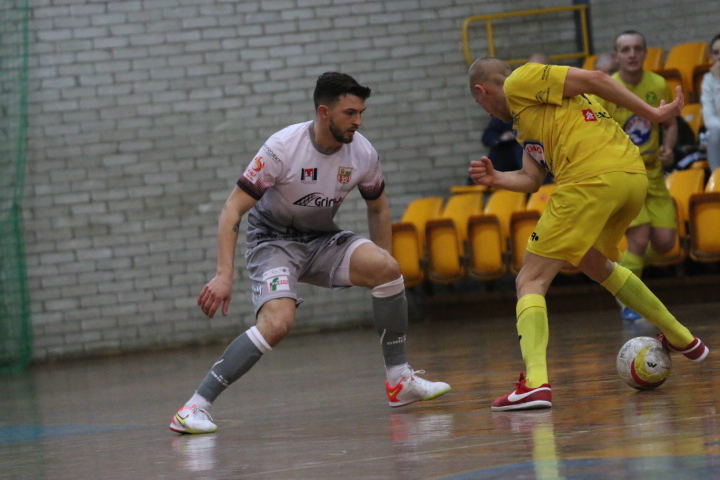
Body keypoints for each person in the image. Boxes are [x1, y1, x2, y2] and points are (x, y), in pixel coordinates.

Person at [170, 72, 450, 434]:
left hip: (321, 240)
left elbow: (378, 208)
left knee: (387, 268)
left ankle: (399, 380)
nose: (358, 121)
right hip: (273, 241)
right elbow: (232, 209)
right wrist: (224, 275)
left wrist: (385, 270)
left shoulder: (363, 152)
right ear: (323, 112)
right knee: (277, 324)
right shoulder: (282, 148)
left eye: (361, 113)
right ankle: (194, 407)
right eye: (350, 113)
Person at [467, 56, 709, 411]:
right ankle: (683, 338)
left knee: (530, 280)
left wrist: (654, 114)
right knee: (593, 262)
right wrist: (496, 178)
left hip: (589, 181)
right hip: (629, 179)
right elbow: (532, 179)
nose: (486, 112)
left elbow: (596, 78)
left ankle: (535, 383)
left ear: (483, 90)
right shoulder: (529, 117)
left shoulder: (520, 81)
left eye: (481, 104)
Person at [595, 31, 679, 322]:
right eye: (625, 49)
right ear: (616, 56)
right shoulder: (606, 89)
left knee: (665, 243)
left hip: (654, 174)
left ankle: (624, 271)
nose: (632, 54)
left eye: (637, 48)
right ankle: (629, 299)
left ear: (645, 53)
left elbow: (670, 124)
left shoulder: (658, 84)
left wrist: (668, 148)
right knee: (639, 239)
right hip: (625, 176)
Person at [701, 33, 720, 173]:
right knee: (714, 135)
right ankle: (717, 178)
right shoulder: (708, 80)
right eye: (716, 53)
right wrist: (717, 81)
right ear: (712, 56)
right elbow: (709, 118)